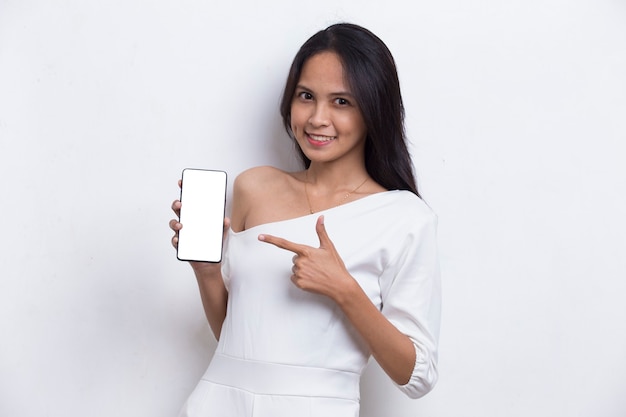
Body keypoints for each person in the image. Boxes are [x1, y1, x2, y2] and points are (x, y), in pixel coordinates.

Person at [169, 22, 441, 417]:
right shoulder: (254, 187)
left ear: (373, 109)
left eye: (342, 102)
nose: (317, 118)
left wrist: (344, 289)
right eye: (306, 96)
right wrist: (207, 272)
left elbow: (418, 375)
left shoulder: (405, 218)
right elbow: (235, 338)